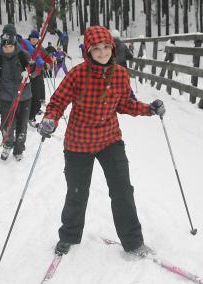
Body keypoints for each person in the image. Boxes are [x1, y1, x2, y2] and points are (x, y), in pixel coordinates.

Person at [37, 26, 166, 257]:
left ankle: (134, 242)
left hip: (109, 139)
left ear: (113, 48)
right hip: (79, 143)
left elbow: (125, 104)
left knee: (123, 191)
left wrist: (149, 109)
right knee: (77, 193)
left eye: (106, 47)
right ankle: (68, 237)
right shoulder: (77, 74)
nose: (102, 52)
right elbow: (57, 102)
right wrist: (50, 119)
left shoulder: (120, 74)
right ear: (88, 51)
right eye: (96, 49)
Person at [0, 24, 32, 161]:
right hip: (7, 98)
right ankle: (8, 144)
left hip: (24, 97)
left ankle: (19, 149)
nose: (8, 50)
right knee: (7, 125)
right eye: (5, 47)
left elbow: (36, 69)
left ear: (15, 43)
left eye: (10, 47)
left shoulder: (23, 55)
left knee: (22, 127)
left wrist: (31, 72)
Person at [27, 30, 52, 127]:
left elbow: (47, 59)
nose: (34, 41)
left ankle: (31, 116)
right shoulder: (26, 46)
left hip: (37, 75)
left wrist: (48, 64)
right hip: (27, 76)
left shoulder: (40, 48)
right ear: (30, 38)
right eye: (32, 39)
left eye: (36, 39)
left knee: (37, 98)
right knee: (28, 98)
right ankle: (27, 117)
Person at [111, 29, 137, 101]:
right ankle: (133, 99)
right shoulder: (123, 46)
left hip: (112, 70)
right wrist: (129, 50)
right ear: (119, 37)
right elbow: (130, 57)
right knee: (126, 85)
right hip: (123, 69)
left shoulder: (108, 47)